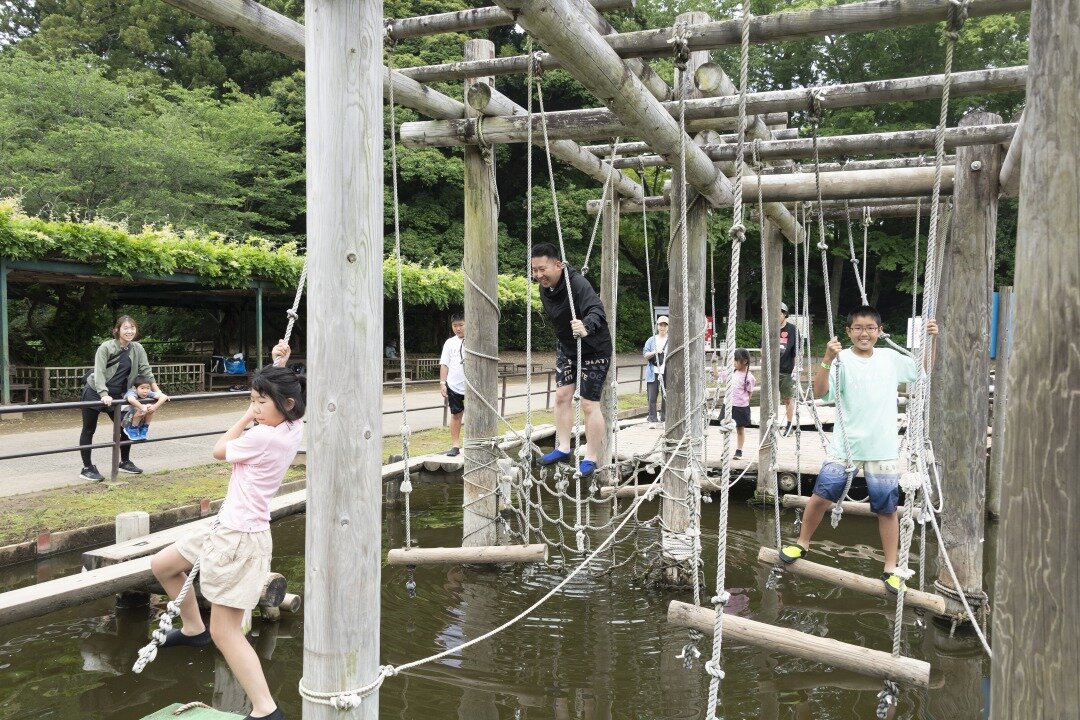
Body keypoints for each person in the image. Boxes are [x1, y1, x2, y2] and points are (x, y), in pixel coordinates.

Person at [149, 339, 300, 720]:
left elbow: (219, 450)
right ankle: (191, 626)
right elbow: (284, 394)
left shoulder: (263, 434)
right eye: (253, 399)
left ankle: (266, 709)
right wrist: (278, 365)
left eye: (261, 401)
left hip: (240, 539)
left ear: (287, 405)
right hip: (223, 528)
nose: (256, 406)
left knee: (227, 632)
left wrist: (246, 416)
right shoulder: (291, 425)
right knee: (164, 565)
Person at [780, 306, 938, 595]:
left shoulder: (891, 358)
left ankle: (891, 567)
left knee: (887, 509)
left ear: (879, 331)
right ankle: (802, 544)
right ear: (849, 331)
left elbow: (923, 369)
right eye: (858, 328)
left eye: (870, 328)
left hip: (882, 448)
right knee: (819, 497)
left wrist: (932, 340)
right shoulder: (841, 361)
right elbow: (819, 391)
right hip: (846, 446)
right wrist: (827, 359)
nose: (864, 333)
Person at [530, 243, 612, 477]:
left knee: (588, 404)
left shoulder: (577, 283)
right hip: (567, 347)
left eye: (542, 269)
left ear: (559, 264)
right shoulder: (544, 288)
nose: (538, 275)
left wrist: (585, 326)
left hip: (594, 348)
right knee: (561, 396)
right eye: (534, 270)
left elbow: (597, 309)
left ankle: (591, 457)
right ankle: (563, 447)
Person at [78, 315, 169, 481]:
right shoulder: (106, 347)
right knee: (89, 429)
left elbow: (146, 371)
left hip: (118, 395)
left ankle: (125, 462)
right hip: (95, 391)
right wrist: (103, 394)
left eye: (132, 328)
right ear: (117, 330)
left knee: (125, 426)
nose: (130, 331)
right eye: (126, 328)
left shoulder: (137, 348)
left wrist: (158, 392)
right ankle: (87, 467)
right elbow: (98, 372)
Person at [717, 348, 756, 459]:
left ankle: (739, 450)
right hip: (728, 404)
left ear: (744, 361)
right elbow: (717, 376)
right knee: (726, 428)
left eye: (736, 360)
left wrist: (745, 404)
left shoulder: (749, 377)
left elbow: (750, 393)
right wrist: (714, 364)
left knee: (740, 429)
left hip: (740, 406)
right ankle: (725, 450)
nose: (734, 363)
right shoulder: (731, 372)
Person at [439, 313, 466, 457]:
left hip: (473, 385)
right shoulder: (450, 342)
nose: (458, 328)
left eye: (461, 325)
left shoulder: (475, 340)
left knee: (476, 414)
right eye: (455, 326)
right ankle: (455, 445)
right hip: (454, 384)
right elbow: (444, 363)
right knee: (456, 414)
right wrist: (442, 383)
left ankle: (475, 441)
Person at [642, 315, 669, 428]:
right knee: (652, 396)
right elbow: (645, 354)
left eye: (664, 325)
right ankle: (652, 418)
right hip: (653, 371)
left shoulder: (671, 340)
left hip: (667, 371)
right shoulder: (651, 340)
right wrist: (655, 351)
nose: (662, 327)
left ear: (668, 327)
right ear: (657, 326)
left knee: (666, 395)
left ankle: (665, 418)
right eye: (660, 325)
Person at [122, 375, 166, 441]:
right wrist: (142, 407)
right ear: (135, 388)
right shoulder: (132, 392)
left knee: (150, 407)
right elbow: (131, 399)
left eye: (148, 388)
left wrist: (154, 407)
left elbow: (164, 397)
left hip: (140, 417)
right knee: (143, 408)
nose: (145, 391)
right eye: (142, 388)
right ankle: (132, 429)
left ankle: (145, 428)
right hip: (126, 418)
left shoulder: (147, 392)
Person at [777, 302, 799, 436]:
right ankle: (770, 422)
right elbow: (763, 348)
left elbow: (796, 352)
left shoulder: (792, 330)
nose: (777, 316)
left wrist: (795, 369)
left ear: (785, 314)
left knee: (788, 398)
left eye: (779, 313)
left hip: (786, 370)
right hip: (771, 370)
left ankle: (790, 424)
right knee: (769, 397)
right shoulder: (769, 328)